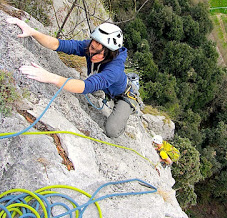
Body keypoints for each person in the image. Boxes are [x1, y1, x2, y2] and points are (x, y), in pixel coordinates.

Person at [7, 17, 138, 138]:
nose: (91, 52)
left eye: (97, 51)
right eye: (92, 47)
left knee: (112, 130)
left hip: (123, 94)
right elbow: (59, 45)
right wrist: (32, 32)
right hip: (107, 87)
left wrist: (49, 77)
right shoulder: (91, 47)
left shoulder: (114, 69)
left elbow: (86, 86)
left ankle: (127, 109)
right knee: (96, 84)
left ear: (110, 54)